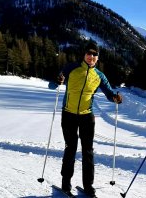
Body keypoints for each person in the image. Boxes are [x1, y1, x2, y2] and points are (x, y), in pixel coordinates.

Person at [57, 42, 122, 197]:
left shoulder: (99, 76)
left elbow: (109, 92)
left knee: (88, 151)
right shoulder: (71, 68)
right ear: (84, 54)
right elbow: (55, 82)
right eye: (89, 53)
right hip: (68, 114)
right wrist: (58, 80)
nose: (91, 57)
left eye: (95, 55)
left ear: (97, 58)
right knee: (70, 148)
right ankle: (66, 183)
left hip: (87, 116)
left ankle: (88, 186)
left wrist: (115, 97)